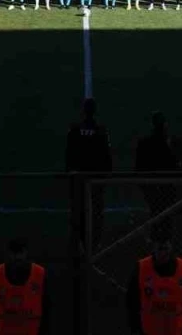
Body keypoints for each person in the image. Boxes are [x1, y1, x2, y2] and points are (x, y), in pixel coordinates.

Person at [126, 232, 182, 335]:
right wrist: (135, 329)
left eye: (165, 249)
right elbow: (131, 302)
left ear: (171, 248)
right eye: (160, 249)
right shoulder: (142, 268)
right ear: (154, 248)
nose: (163, 254)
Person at [66, 97, 113, 249]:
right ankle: (94, 243)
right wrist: (106, 174)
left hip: (79, 178)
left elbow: (69, 153)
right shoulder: (101, 130)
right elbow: (107, 155)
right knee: (96, 212)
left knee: (78, 212)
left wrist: (70, 171)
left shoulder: (75, 130)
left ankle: (79, 244)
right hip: (96, 180)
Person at [0, 238, 49, 335]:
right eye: (14, 252)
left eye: (21, 252)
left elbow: (46, 304)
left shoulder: (39, 274)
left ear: (26, 253)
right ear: (9, 253)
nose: (18, 257)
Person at [135, 112, 181, 218]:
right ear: (165, 125)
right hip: (165, 190)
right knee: (165, 220)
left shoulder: (144, 144)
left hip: (152, 189)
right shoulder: (168, 145)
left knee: (156, 218)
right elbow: (175, 166)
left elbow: (138, 168)